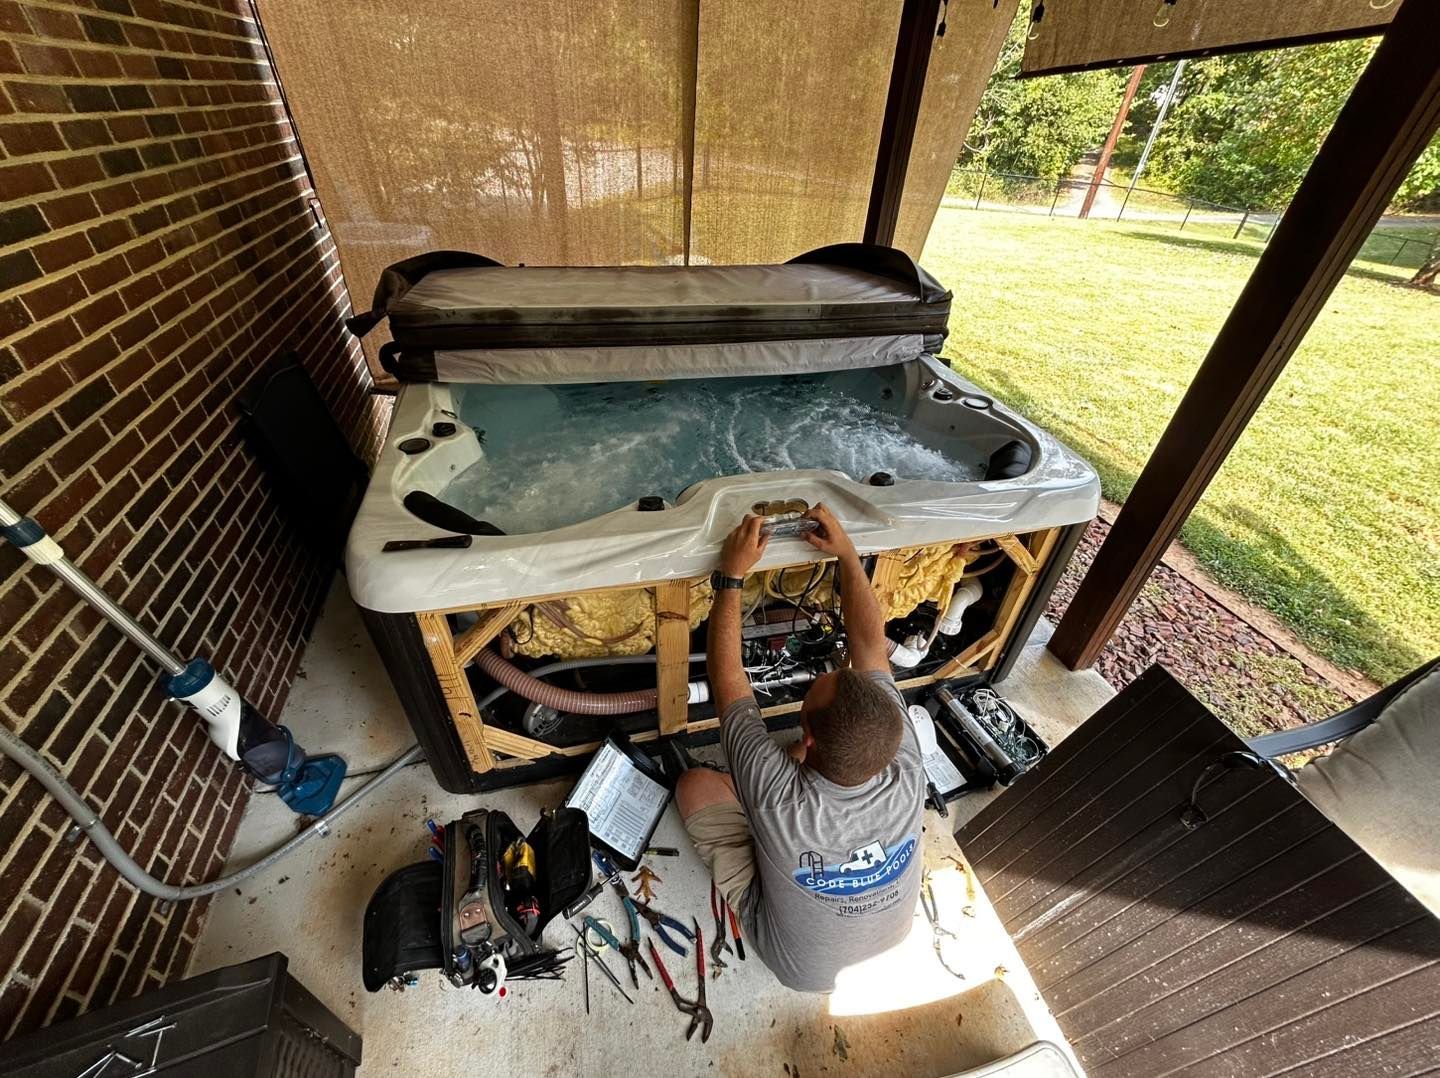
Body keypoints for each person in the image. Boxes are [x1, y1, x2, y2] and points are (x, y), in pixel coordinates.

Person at [676, 504, 924, 992]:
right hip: (891, 939)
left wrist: (729, 577)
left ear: (808, 738)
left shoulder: (775, 797)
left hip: (799, 969)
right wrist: (848, 555)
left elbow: (728, 682)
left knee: (694, 785)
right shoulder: (908, 763)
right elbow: (872, 649)